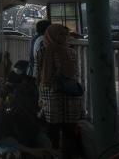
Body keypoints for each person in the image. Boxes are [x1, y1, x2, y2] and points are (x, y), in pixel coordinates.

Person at [36, 24, 83, 158]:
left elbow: (40, 74)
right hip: (69, 93)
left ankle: (55, 153)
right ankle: (67, 153)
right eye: (60, 34)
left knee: (53, 126)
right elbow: (73, 73)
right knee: (68, 127)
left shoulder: (43, 51)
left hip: (51, 93)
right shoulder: (71, 51)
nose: (63, 37)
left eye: (64, 34)